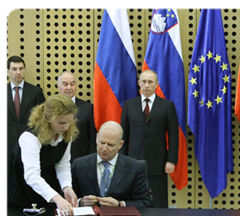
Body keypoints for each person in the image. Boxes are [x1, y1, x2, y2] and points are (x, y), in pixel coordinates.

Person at [5, 94, 78, 216]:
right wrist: (57, 197)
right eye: (61, 122)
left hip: (45, 189)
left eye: (69, 122)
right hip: (19, 191)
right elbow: (32, 176)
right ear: (48, 118)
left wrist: (67, 187)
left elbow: (62, 164)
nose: (66, 126)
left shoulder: (66, 135)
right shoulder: (30, 137)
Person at [120, 70, 179, 208]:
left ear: (157, 85)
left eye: (150, 82)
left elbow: (173, 137)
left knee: (159, 199)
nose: (146, 85)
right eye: (144, 81)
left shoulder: (167, 106)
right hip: (133, 160)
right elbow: (124, 135)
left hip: (158, 161)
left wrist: (171, 161)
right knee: (134, 198)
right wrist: (122, 159)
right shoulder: (129, 105)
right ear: (139, 83)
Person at [72, 121, 153, 208]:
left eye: (110, 145)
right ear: (97, 138)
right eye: (102, 143)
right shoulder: (79, 165)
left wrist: (120, 204)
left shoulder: (135, 167)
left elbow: (146, 202)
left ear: (120, 145)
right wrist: (80, 202)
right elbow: (66, 198)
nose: (104, 148)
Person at [5, 55, 45, 158]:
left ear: (25, 69)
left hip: (30, 146)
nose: (18, 72)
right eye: (14, 69)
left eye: (21, 68)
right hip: (7, 148)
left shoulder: (35, 92)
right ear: (7, 71)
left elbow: (43, 120)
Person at [57, 71, 97, 162]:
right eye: (65, 84)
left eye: (72, 84)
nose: (69, 87)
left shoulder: (88, 108)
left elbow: (92, 139)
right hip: (56, 160)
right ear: (58, 86)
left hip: (81, 160)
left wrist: (91, 160)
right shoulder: (50, 107)